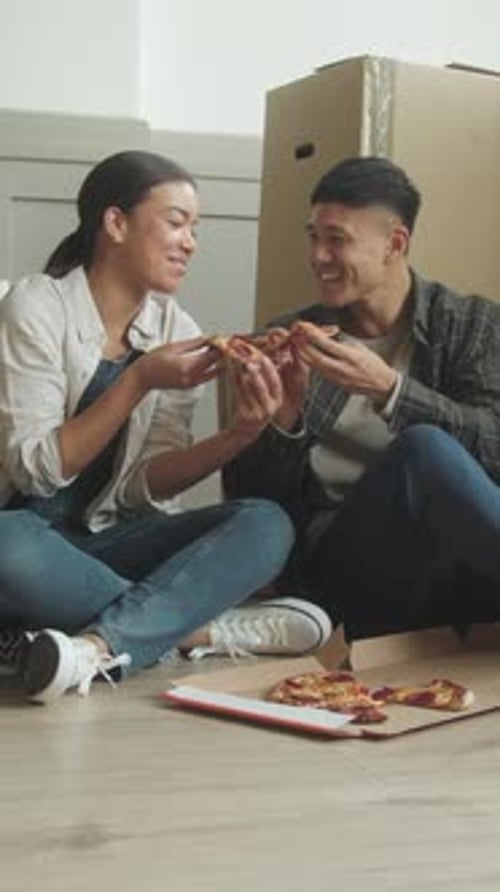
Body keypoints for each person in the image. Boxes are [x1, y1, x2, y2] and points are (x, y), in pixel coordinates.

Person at [0, 150, 332, 704]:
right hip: (25, 537)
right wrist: (140, 380)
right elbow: (37, 471)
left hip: (105, 543)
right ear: (115, 223)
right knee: (7, 543)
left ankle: (93, 647)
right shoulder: (36, 304)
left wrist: (240, 435)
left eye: (195, 229)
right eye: (176, 222)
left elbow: (140, 490)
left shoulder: (177, 328)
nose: (190, 243)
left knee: (266, 523)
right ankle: (198, 629)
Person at [223, 155, 500, 640]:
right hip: (351, 575)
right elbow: (256, 513)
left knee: (428, 446)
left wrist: (391, 391)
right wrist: (282, 423)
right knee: (421, 449)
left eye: (337, 240)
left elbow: (493, 448)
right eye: (314, 236)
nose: (318, 256)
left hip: (461, 571)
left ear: (395, 244)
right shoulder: (290, 341)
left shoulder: (472, 325)